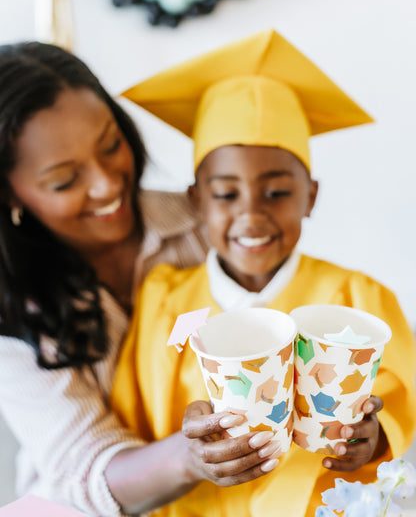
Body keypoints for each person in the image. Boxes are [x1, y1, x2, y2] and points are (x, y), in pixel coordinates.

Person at [111, 29, 416, 517]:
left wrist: (373, 438)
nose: (251, 216)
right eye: (226, 194)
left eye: (276, 193)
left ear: (310, 197)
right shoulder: (169, 303)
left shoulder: (357, 296)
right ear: (196, 201)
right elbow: (134, 411)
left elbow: (400, 397)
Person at [0, 42, 279, 517]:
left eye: (111, 145)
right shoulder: (14, 308)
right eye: (65, 181)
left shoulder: (207, 224)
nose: (108, 184)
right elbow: (82, 467)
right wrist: (191, 456)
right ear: (11, 194)